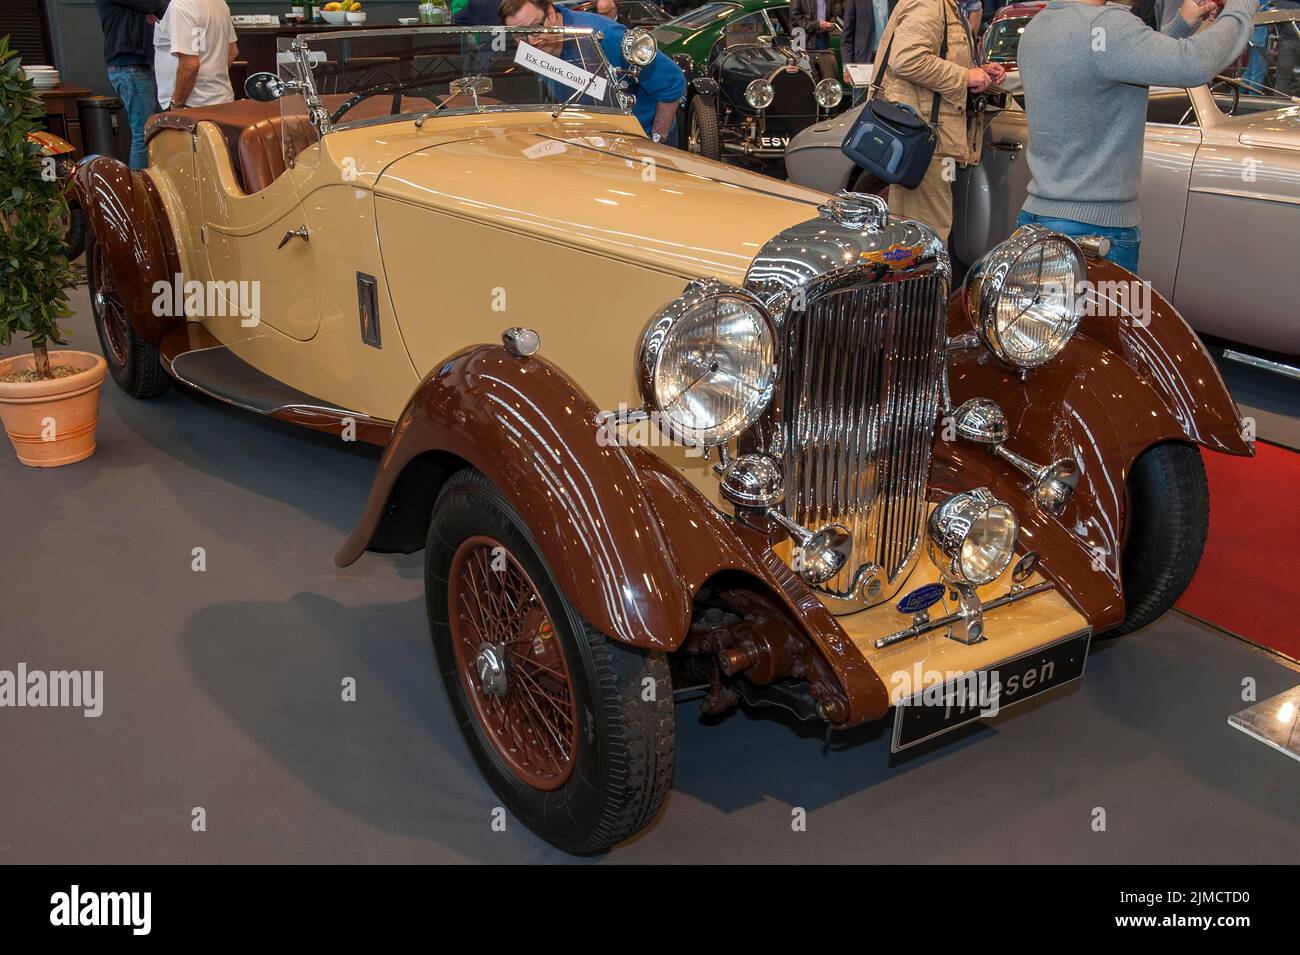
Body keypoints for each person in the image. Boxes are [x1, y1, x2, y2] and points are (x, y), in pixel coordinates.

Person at [1016, 0, 1260, 271]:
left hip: (1038, 220)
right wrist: (1242, 7)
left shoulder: (1039, 27)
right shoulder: (1106, 24)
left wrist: (1180, 26)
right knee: (1106, 303)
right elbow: (1194, 63)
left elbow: (1114, 60)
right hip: (1093, 233)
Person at [870, 0, 1005, 241]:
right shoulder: (929, 4)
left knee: (911, 235)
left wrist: (979, 72)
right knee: (929, 235)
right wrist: (965, 75)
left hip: (932, 138)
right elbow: (908, 60)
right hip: (926, 139)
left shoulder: (951, 9)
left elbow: (938, 58)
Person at [499, 0, 686, 144]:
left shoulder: (605, 36)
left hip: (639, 142)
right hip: (591, 144)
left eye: (536, 29)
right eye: (519, 35)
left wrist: (656, 140)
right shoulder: (531, 49)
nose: (532, 42)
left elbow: (673, 82)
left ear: (550, 13)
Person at [95, 0, 165, 169]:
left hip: (141, 65)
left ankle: (150, 182)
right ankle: (139, 184)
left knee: (155, 132)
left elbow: (161, 9)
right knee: (145, 133)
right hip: (129, 66)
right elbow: (153, 5)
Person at [154, 0, 239, 111]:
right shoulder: (220, 4)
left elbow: (190, 66)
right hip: (222, 99)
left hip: (191, 106)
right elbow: (232, 51)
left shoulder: (181, 5)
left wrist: (176, 104)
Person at [841, 0, 894, 104]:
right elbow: (847, 36)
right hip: (862, 62)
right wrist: (847, 67)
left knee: (886, 104)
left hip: (888, 62)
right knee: (859, 105)